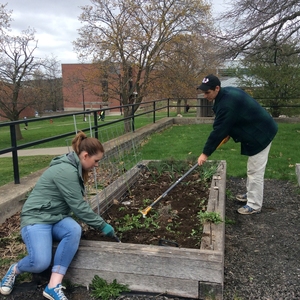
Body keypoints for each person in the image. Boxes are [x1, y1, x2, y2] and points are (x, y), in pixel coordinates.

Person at [0, 131, 115, 300]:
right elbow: (79, 208)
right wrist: (103, 225)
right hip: (37, 219)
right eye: (96, 160)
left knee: (74, 229)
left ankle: (53, 285)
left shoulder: (74, 167)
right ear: (84, 155)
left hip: (56, 217)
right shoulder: (66, 171)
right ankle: (15, 269)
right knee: (40, 262)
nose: (97, 165)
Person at [197, 74, 278, 215]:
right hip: (256, 128)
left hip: (261, 133)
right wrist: (229, 132)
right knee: (252, 169)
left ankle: (254, 204)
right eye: (203, 92)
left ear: (217, 88)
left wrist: (205, 153)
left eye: (207, 92)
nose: (205, 96)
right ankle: (251, 193)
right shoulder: (225, 94)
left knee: (255, 170)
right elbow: (233, 119)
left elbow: (218, 131)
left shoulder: (227, 103)